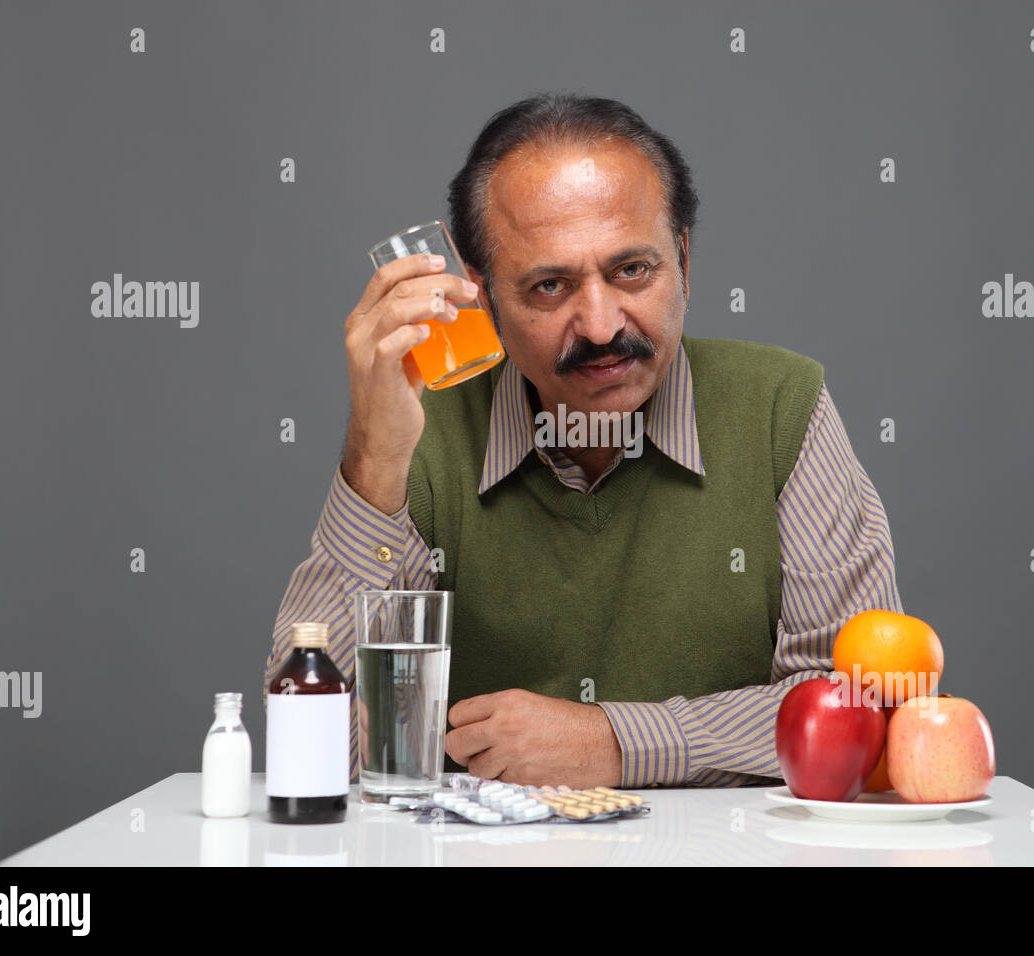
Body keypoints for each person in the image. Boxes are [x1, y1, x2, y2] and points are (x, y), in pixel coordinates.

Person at [265, 92, 903, 790]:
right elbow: (313, 741)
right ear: (481, 296)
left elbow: (860, 704)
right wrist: (377, 457)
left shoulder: (782, 407)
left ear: (684, 262)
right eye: (548, 285)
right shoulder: (421, 435)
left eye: (633, 270)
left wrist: (615, 742)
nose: (600, 325)